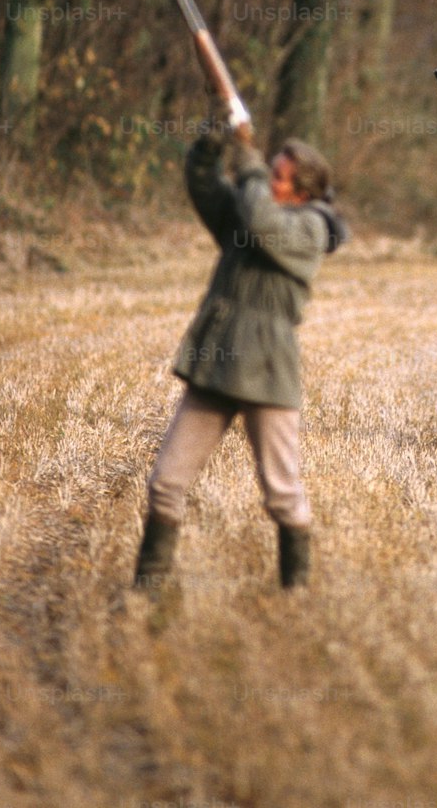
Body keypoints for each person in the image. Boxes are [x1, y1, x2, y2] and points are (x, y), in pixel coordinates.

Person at [133, 113, 346, 592]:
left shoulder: (310, 227)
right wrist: (211, 142)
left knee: (281, 493)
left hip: (267, 370)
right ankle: (145, 594)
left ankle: (296, 593)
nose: (267, 178)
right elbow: (207, 190)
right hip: (216, 362)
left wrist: (248, 160)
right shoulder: (251, 208)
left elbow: (264, 225)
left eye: (278, 175)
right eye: (268, 170)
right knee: (166, 483)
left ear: (303, 192)